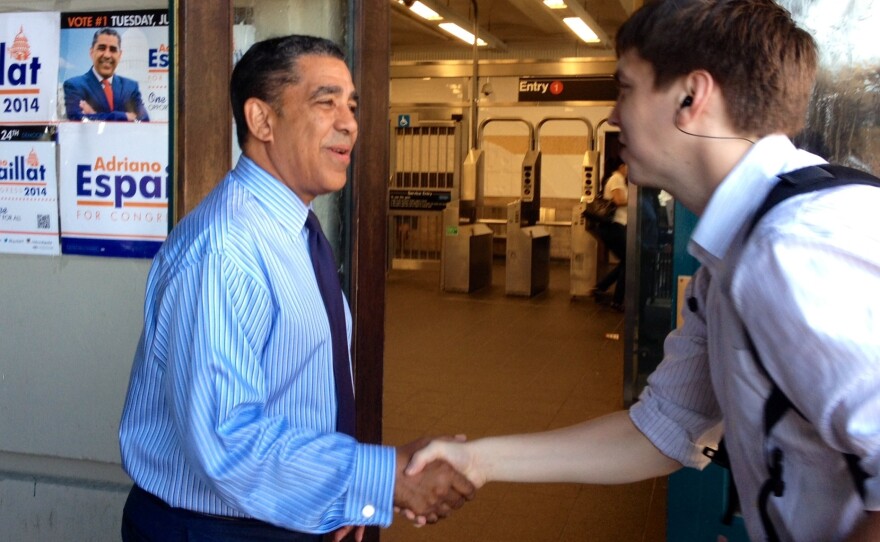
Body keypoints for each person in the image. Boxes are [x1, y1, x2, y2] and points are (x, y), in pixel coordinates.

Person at [406, 1, 880, 541]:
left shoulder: (794, 249)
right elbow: (664, 429)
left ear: (691, 98)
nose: (612, 115)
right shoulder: (736, 254)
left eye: (626, 88)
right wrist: (479, 460)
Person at [118, 35, 474, 542]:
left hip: (279, 513)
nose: (349, 121)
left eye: (351, 105)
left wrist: (335, 488)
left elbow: (296, 396)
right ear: (262, 121)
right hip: (214, 530)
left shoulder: (292, 230)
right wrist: (376, 476)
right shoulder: (227, 248)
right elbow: (227, 439)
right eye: (325, 102)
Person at [63, 28, 150, 122]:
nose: (107, 55)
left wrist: (95, 115)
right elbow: (76, 119)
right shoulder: (75, 86)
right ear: (91, 52)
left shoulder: (131, 87)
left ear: (120, 55)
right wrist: (124, 116)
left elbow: (144, 120)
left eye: (113, 50)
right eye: (102, 48)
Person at [592, 159, 628, 311]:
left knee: (626, 261)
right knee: (628, 261)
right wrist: (636, 197)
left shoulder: (619, 179)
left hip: (614, 227)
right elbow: (619, 200)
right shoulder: (617, 179)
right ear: (621, 166)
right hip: (613, 226)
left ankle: (601, 287)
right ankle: (617, 300)